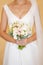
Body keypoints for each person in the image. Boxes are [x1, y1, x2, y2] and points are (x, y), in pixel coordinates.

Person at [0, 0, 43, 65]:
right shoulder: (6, 8)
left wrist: (27, 40)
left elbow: (39, 31)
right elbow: (1, 31)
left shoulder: (34, 6)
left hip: (30, 48)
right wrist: (15, 41)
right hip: (12, 49)